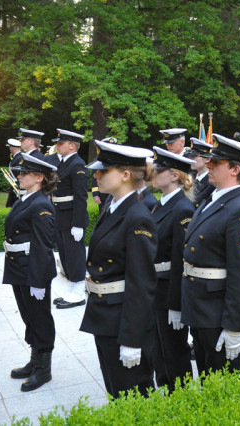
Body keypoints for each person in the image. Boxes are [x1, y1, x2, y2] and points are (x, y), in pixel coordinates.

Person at [80, 140, 157, 398]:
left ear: (125, 175)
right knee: (116, 392)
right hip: (105, 313)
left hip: (123, 320)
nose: (97, 175)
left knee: (132, 396)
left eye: (104, 171)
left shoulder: (137, 215)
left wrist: (132, 339)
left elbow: (141, 283)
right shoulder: (113, 206)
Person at [181, 134, 240, 376]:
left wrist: (235, 327)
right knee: (208, 377)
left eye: (217, 163)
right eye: (210, 161)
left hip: (219, 312)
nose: (209, 165)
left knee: (223, 383)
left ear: (236, 169)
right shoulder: (212, 198)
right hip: (201, 306)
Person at [3, 153, 59, 392]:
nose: (20, 176)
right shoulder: (26, 198)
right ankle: (34, 361)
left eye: (24, 173)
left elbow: (43, 246)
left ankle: (44, 370)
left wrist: (38, 281)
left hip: (32, 272)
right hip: (19, 268)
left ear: (39, 177)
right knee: (28, 316)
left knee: (40, 318)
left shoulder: (42, 205)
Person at [150, 146, 196, 392]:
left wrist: (177, 305)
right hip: (155, 288)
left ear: (175, 175)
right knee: (159, 351)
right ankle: (166, 392)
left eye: (159, 170)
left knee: (174, 352)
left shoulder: (183, 209)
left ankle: (182, 400)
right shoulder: (160, 205)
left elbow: (181, 261)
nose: (153, 174)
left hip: (169, 291)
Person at [50, 129, 89, 309]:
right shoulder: (65, 163)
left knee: (75, 255)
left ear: (72, 145)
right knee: (65, 256)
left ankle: (79, 291)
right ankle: (73, 289)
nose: (57, 145)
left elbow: (80, 197)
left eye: (61, 143)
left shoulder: (77, 164)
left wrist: (78, 224)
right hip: (61, 215)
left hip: (72, 217)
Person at [185, 137, 215, 208]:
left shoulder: (211, 183)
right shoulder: (192, 178)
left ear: (207, 159)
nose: (190, 159)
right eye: (190, 156)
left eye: (194, 156)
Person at [91, 137, 117, 213]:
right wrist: (95, 194)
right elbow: (94, 178)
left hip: (116, 193)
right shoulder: (98, 161)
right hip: (103, 194)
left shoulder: (118, 161)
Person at [6, 138, 23, 208]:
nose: (9, 149)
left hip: (17, 185)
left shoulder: (19, 157)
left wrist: (18, 186)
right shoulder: (16, 157)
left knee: (12, 206)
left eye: (10, 147)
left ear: (12, 147)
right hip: (14, 185)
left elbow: (20, 173)